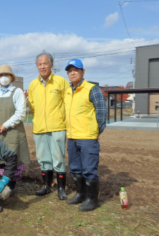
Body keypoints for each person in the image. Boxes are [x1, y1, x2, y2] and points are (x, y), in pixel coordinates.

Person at [64, 59, 107, 212]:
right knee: (75, 168)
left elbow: (101, 114)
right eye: (69, 70)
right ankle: (80, 194)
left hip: (87, 137)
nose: (72, 72)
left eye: (76, 69)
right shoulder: (68, 91)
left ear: (83, 72)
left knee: (89, 169)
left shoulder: (92, 89)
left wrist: (95, 132)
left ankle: (92, 199)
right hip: (72, 136)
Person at [28, 52, 69, 200]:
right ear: (37, 66)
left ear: (51, 64)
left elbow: (67, 103)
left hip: (57, 126)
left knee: (58, 158)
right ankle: (46, 186)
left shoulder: (60, 81)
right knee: (43, 158)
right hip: (39, 127)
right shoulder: (33, 84)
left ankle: (61, 189)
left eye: (45, 63)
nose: (42, 66)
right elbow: (32, 106)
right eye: (40, 64)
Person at [0, 64, 30, 195]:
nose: (3, 78)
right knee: (0, 159)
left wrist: (6, 125)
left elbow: (20, 113)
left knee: (13, 159)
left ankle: (11, 186)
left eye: (6, 75)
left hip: (13, 131)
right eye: (1, 75)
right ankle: (1, 184)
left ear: (11, 77)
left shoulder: (17, 92)